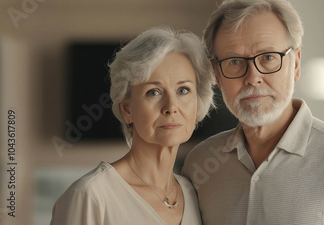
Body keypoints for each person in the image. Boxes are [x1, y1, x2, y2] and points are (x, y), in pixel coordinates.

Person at [182, 0, 324, 224]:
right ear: (216, 73)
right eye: (235, 62)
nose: (253, 77)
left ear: (296, 64)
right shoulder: (199, 165)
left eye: (268, 57)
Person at [51, 26, 215, 225]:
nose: (171, 107)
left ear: (198, 105)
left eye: (183, 90)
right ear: (127, 109)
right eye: (154, 92)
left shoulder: (194, 195)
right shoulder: (91, 195)